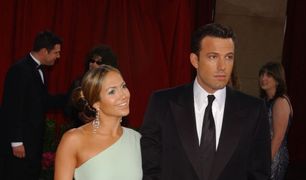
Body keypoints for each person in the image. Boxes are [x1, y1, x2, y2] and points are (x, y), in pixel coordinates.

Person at [140, 23, 271, 180]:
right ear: (195, 60)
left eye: (229, 57)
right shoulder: (162, 103)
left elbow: (259, 173)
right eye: (213, 57)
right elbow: (150, 168)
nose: (222, 66)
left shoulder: (253, 110)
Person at [54, 65, 142, 180]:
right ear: (96, 103)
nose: (124, 95)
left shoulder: (136, 139)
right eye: (112, 91)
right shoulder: (74, 140)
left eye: (123, 86)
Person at [1, 30, 65, 180]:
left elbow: (43, 102)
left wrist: (70, 97)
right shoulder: (19, 70)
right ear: (44, 51)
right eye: (56, 53)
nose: (58, 56)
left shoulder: (40, 70)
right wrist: (16, 142)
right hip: (20, 144)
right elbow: (12, 108)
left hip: (33, 143)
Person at [64, 44, 118, 128]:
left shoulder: (114, 85)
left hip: (105, 130)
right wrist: (80, 116)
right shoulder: (79, 82)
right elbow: (68, 109)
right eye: (92, 60)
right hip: (81, 129)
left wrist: (97, 119)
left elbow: (117, 111)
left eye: (98, 62)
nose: (93, 64)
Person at [259, 62, 293, 180]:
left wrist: (265, 163)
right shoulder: (265, 101)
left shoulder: (281, 102)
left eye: (269, 75)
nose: (263, 78)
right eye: (262, 74)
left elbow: (277, 137)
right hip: (264, 154)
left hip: (274, 157)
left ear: (277, 80)